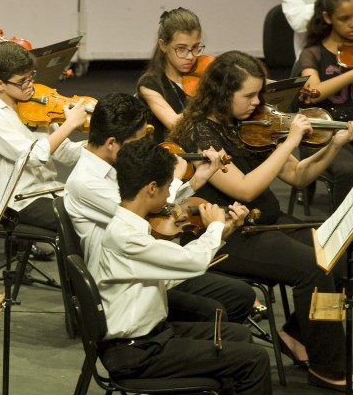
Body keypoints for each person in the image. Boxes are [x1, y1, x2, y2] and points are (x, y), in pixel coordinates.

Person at [96, 138, 308, 395]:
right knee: (253, 360)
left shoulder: (131, 226)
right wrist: (212, 227)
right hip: (136, 352)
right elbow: (191, 264)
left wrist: (222, 232)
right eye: (168, 187)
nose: (171, 198)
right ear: (151, 188)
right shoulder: (126, 237)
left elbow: (174, 271)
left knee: (236, 336)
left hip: (147, 337)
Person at [171, 50, 353, 392]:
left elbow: (299, 175)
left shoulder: (251, 124)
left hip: (266, 223)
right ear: (222, 94)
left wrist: (335, 145)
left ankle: (297, 334)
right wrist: (290, 141)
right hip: (229, 234)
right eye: (248, 95)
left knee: (338, 256)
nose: (257, 102)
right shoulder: (201, 134)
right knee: (314, 268)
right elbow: (244, 189)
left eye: (259, 93)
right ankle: (327, 365)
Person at [64, 92, 255, 330]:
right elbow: (150, 211)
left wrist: (197, 179)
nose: (143, 147)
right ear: (112, 143)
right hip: (126, 285)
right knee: (215, 310)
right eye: (138, 141)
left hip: (147, 263)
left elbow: (157, 205)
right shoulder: (86, 182)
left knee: (240, 294)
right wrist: (173, 177)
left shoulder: (116, 165)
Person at [0, 41, 87, 235]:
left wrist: (98, 144)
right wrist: (69, 125)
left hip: (51, 190)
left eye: (31, 77)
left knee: (99, 209)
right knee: (79, 221)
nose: (30, 85)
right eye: (22, 81)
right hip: (19, 201)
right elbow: (34, 157)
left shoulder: (37, 105)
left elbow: (66, 154)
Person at [293, 0, 353, 205]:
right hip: (325, 132)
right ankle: (344, 227)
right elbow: (314, 92)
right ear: (327, 18)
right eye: (344, 18)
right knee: (348, 170)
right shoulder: (313, 53)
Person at [136, 7, 205, 143]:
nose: (190, 56)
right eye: (181, 49)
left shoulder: (204, 74)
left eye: (195, 47)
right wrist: (208, 99)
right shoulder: (149, 84)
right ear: (163, 45)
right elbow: (174, 124)